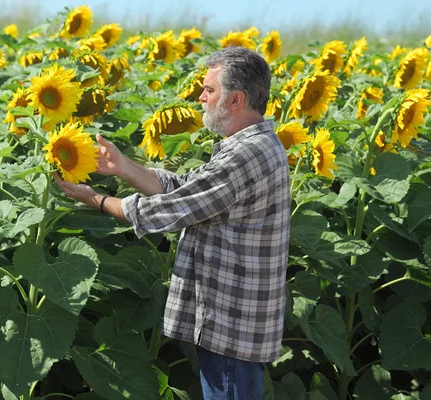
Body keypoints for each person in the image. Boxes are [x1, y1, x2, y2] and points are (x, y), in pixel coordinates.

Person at [54, 46, 290, 400]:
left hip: (232, 322)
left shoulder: (247, 155)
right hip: (233, 319)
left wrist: (98, 201)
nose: (201, 97)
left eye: (210, 90)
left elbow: (173, 209)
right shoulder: (250, 146)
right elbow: (187, 190)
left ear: (236, 99)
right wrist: (124, 167)